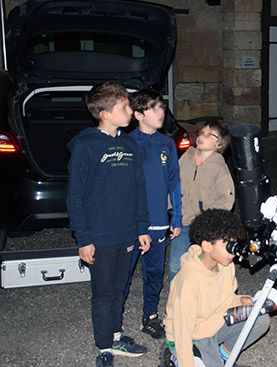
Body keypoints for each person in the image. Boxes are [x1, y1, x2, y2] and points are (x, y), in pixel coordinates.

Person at [66, 82, 152, 367]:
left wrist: (142, 227)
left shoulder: (128, 143)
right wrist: (83, 238)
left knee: (120, 287)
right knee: (103, 293)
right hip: (100, 235)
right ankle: (104, 346)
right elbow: (75, 196)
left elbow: (139, 188)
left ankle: (116, 334)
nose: (131, 111)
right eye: (124, 107)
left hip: (127, 231)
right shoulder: (85, 145)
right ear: (105, 113)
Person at [164, 209, 270, 367]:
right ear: (206, 246)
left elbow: (225, 299)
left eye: (234, 243)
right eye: (227, 245)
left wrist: (240, 300)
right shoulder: (189, 281)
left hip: (215, 323)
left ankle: (224, 356)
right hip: (193, 336)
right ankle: (174, 359)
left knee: (259, 318)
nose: (233, 251)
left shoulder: (226, 265)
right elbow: (182, 334)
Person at [121, 89, 183, 340]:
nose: (161, 112)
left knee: (154, 273)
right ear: (137, 114)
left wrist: (176, 218)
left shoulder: (167, 143)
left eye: (162, 107)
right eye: (153, 107)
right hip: (129, 223)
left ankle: (150, 316)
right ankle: (115, 323)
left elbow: (174, 183)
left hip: (158, 221)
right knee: (122, 276)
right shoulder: (125, 143)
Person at [167, 120, 235, 282]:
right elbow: (173, 183)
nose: (202, 135)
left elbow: (227, 200)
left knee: (206, 265)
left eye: (210, 134)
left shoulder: (219, 167)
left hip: (205, 226)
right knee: (175, 265)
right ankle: (176, 302)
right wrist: (171, 207)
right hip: (182, 222)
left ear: (219, 144)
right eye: (201, 131)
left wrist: (207, 216)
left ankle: (206, 299)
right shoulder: (186, 157)